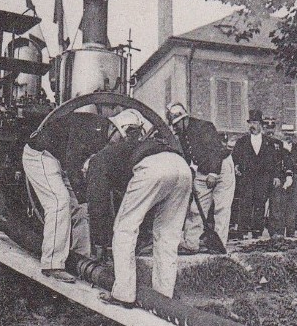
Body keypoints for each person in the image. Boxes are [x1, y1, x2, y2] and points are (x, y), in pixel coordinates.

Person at [23, 108, 140, 282]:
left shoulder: (103, 134)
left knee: (81, 209)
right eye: (120, 139)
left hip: (58, 162)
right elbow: (73, 159)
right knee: (58, 202)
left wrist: (84, 199)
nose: (118, 145)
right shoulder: (92, 128)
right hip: (40, 156)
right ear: (116, 129)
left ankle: (80, 259)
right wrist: (82, 194)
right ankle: (52, 264)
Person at [88, 112, 192, 307]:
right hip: (182, 166)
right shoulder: (140, 145)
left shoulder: (99, 159)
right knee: (167, 236)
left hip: (153, 168)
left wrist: (100, 240)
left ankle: (123, 294)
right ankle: (164, 297)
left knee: (124, 229)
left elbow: (98, 202)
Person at [166, 102, 236, 253]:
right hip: (203, 169)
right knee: (196, 208)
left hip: (221, 167)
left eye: (176, 124)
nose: (174, 128)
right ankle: (191, 243)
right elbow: (187, 157)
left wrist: (213, 173)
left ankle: (220, 245)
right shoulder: (182, 135)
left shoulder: (204, 127)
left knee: (221, 207)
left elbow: (215, 151)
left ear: (184, 119)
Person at [231, 110, 280, 239]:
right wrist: (236, 167)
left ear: (261, 125)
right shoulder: (242, 142)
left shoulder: (269, 142)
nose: (252, 126)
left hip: (263, 179)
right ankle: (242, 231)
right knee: (245, 203)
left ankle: (257, 231)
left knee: (260, 204)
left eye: (255, 123)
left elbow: (275, 162)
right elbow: (234, 158)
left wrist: (275, 176)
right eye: (250, 123)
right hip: (246, 178)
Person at [268, 123, 297, 238]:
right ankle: (277, 231)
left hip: (291, 179)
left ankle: (290, 231)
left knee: (291, 206)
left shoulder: (296, 147)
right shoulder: (278, 146)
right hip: (279, 178)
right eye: (285, 134)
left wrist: (290, 175)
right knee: (276, 205)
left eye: (290, 134)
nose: (288, 136)